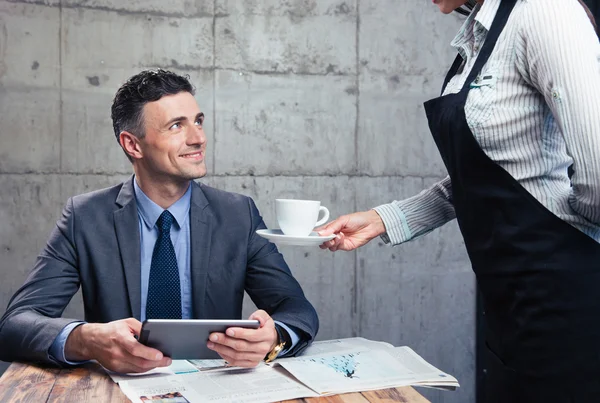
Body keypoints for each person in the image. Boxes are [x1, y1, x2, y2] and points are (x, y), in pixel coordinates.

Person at [318, 0, 600, 401]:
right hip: (510, 307)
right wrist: (384, 219)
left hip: (569, 303)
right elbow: (483, 174)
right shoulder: (478, 35)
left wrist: (570, 236)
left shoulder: (544, 11)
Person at [0, 69, 318, 373]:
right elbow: (14, 325)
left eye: (198, 121)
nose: (198, 139)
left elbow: (296, 308)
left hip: (217, 388)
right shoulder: (85, 217)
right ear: (132, 144)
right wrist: (87, 340)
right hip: (120, 392)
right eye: (176, 126)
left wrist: (274, 336)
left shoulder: (238, 214)